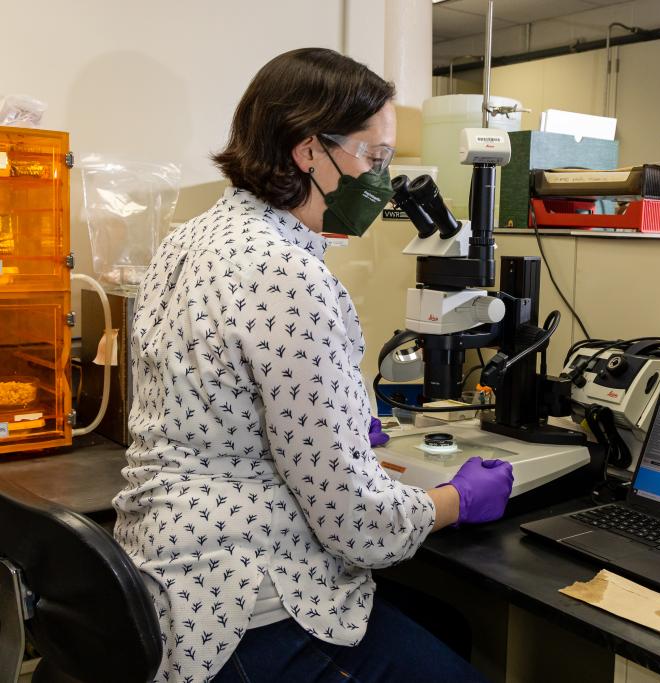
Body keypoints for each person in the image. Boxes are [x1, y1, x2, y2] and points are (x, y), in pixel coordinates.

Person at [113, 48, 514, 683]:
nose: (381, 179)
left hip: (161, 576)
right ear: (309, 152)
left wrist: (344, 421)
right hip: (247, 607)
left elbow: (222, 400)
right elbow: (359, 527)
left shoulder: (192, 236)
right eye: (374, 157)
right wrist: (455, 500)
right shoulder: (286, 271)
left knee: (448, 627)